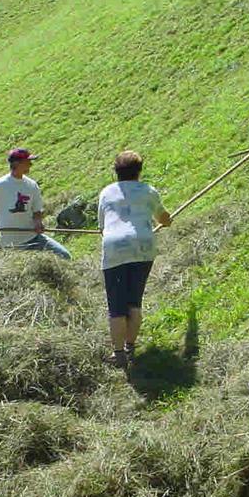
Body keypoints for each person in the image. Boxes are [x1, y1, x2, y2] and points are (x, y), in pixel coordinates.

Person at [97, 150, 171, 368]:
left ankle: (118, 354)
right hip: (144, 246)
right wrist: (167, 221)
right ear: (139, 171)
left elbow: (102, 227)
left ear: (116, 172)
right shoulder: (148, 191)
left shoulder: (106, 192)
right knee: (134, 301)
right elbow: (163, 218)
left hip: (115, 249)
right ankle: (130, 347)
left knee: (117, 306)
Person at [0, 148, 71, 260]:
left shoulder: (31, 185)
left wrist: (38, 222)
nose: (31, 164)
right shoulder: (0, 185)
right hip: (11, 244)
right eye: (27, 161)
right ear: (17, 163)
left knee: (64, 256)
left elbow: (37, 209)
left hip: (33, 238)